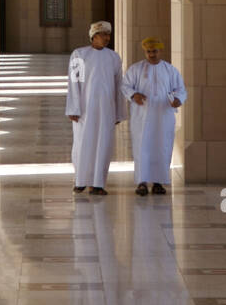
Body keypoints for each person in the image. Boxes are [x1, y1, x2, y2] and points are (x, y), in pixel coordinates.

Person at [122, 37, 187, 196]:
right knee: (142, 148)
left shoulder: (170, 70)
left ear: (160, 51)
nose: (152, 54)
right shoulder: (136, 69)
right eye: (149, 51)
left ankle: (158, 183)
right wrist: (133, 94)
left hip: (164, 117)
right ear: (145, 52)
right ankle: (142, 182)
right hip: (142, 118)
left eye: (155, 51)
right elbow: (125, 85)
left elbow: (180, 89)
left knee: (162, 147)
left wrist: (178, 99)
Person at [66, 21, 124, 195]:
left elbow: (118, 84)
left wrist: (118, 112)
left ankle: (98, 183)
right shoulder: (80, 54)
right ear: (93, 36)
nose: (107, 38)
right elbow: (74, 82)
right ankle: (81, 180)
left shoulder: (114, 57)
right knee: (83, 143)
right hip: (84, 108)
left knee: (103, 144)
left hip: (106, 109)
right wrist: (73, 108)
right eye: (103, 34)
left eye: (108, 35)